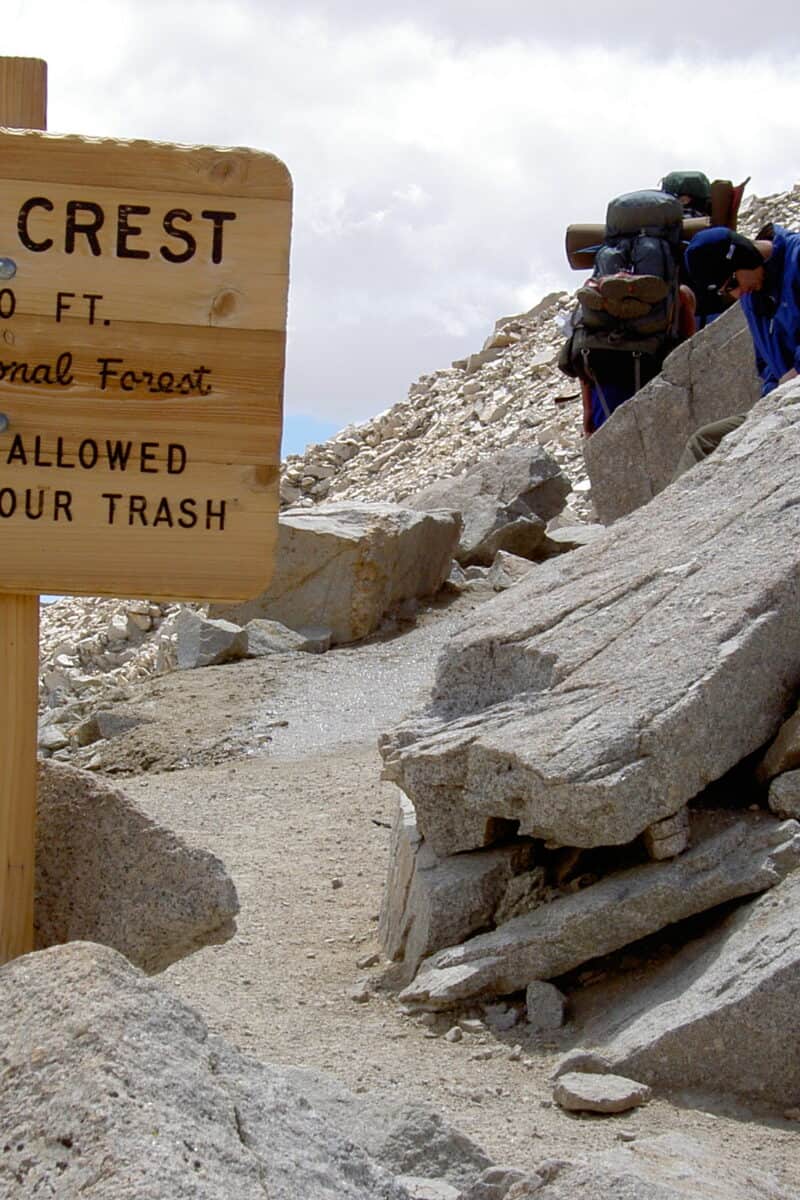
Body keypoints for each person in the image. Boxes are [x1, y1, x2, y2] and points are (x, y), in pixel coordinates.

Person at [673, 224, 800, 474]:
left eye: (732, 282)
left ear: (742, 255)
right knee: (704, 443)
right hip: (783, 402)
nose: (736, 293)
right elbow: (766, 366)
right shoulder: (751, 298)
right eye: (726, 290)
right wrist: (771, 398)